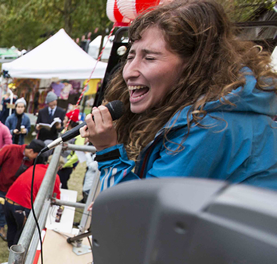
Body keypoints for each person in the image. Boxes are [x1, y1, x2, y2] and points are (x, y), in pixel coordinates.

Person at [85, 0, 277, 191]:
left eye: (149, 58)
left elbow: (141, 215)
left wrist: (108, 151)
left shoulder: (211, 125)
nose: (128, 72)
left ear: (195, 65)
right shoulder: (210, 112)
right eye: (130, 57)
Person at [0, 141, 41, 243]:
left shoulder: (31, 160)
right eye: (35, 155)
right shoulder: (10, 149)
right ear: (31, 151)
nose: (35, 158)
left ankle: (1, 228)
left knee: (5, 210)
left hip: (12, 191)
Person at [5, 149, 61, 247]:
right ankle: (15, 255)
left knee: (12, 227)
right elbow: (56, 197)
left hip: (8, 199)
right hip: (22, 205)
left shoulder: (36, 166)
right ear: (59, 167)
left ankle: (10, 247)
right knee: (22, 231)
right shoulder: (54, 176)